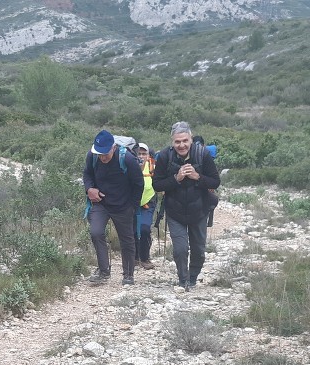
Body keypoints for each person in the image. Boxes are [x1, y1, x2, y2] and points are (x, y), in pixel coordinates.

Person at [152, 121, 220, 290]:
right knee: (180, 249)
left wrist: (198, 177)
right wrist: (176, 179)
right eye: (177, 142)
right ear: (172, 142)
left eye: (184, 141)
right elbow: (157, 185)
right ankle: (183, 280)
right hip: (175, 211)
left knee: (198, 251)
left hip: (199, 210)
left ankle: (193, 277)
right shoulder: (164, 157)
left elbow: (215, 181)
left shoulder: (202, 155)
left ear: (190, 139)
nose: (181, 145)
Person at [82, 130, 144, 286]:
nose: (102, 157)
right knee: (96, 232)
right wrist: (89, 189)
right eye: (99, 154)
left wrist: (132, 207)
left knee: (127, 239)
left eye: (105, 154)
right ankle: (103, 271)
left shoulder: (127, 159)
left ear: (114, 147)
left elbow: (138, 184)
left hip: (123, 206)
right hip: (100, 202)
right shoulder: (92, 156)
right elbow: (87, 174)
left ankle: (128, 275)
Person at [135, 143, 158, 270]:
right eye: (139, 153)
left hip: (148, 202)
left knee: (144, 228)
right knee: (132, 230)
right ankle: (133, 257)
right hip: (132, 203)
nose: (141, 156)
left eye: (144, 154)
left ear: (148, 155)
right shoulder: (130, 164)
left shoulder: (152, 166)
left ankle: (144, 258)